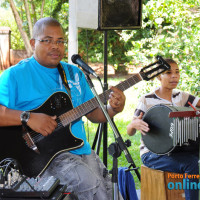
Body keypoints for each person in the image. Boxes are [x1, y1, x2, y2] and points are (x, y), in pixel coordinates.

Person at [0, 17, 126, 200]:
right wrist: (29, 117)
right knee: (90, 185)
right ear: (33, 43)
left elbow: (94, 113)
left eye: (60, 41)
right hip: (41, 157)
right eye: (47, 40)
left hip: (81, 149)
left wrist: (113, 108)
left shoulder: (74, 73)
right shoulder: (14, 75)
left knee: (111, 191)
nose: (55, 46)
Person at [127, 58, 200, 200]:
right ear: (159, 77)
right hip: (152, 154)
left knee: (195, 155)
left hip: (178, 149)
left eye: (177, 72)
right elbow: (130, 130)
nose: (174, 76)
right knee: (191, 164)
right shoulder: (146, 99)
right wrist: (134, 125)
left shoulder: (182, 96)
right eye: (168, 72)